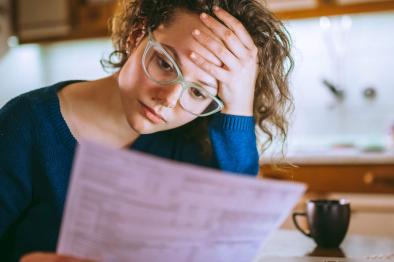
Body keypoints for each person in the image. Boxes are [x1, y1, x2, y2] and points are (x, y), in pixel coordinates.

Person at [0, 0, 293, 261]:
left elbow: (234, 233)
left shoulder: (191, 143)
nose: (168, 100)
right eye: (165, 64)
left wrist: (239, 106)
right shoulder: (25, 125)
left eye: (198, 94)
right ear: (136, 35)